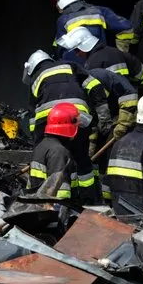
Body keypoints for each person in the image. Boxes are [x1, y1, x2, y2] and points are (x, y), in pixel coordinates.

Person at [22, 49, 109, 204]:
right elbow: (95, 87)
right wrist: (103, 116)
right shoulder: (71, 65)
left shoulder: (36, 78)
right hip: (78, 118)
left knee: (53, 159)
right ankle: (88, 199)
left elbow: (32, 115)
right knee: (82, 158)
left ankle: (56, 198)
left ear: (32, 67)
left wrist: (38, 144)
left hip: (49, 123)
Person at [58, 29, 139, 149]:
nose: (76, 54)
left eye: (77, 50)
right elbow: (141, 74)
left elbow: (103, 107)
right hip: (121, 109)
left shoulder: (92, 67)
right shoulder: (116, 52)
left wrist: (123, 123)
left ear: (85, 46)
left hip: (124, 111)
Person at [53, 0, 132, 65]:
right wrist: (121, 53)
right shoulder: (100, 11)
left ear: (61, 1)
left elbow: (60, 48)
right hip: (100, 63)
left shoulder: (63, 20)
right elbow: (126, 28)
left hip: (76, 69)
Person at [27, 102, 80, 200]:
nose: (78, 125)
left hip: (37, 207)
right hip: (53, 211)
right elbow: (60, 193)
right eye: (75, 122)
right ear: (65, 125)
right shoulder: (59, 152)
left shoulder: (42, 146)